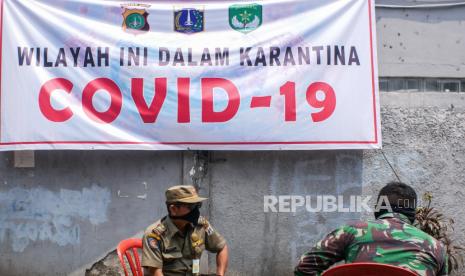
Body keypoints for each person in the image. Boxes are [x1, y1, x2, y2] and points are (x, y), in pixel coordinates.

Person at [294, 182, 448, 276]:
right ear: (413, 213)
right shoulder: (437, 247)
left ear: (379, 208)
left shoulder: (352, 231)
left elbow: (305, 267)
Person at [142, 185, 228, 276]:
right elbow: (155, 273)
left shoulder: (201, 225)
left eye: (198, 205)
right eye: (191, 206)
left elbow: (222, 247)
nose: (196, 210)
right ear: (173, 209)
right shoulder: (154, 235)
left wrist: (220, 273)